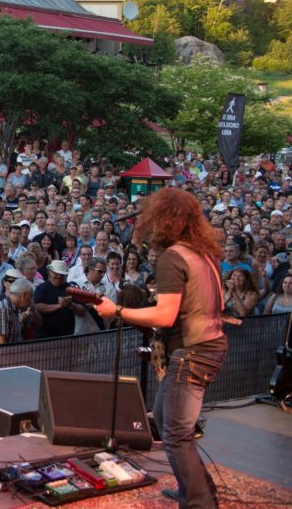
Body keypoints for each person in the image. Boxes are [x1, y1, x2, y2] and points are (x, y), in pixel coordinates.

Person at [96, 188, 226, 508]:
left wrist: (117, 312)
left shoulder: (173, 257)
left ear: (167, 220)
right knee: (166, 415)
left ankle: (198, 503)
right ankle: (200, 490)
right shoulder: (202, 254)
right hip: (209, 345)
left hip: (193, 352)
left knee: (176, 434)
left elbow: (165, 315)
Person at [0, 278, 35, 345]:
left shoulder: (16, 308)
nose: (31, 300)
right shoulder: (2, 310)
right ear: (24, 295)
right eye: (31, 296)